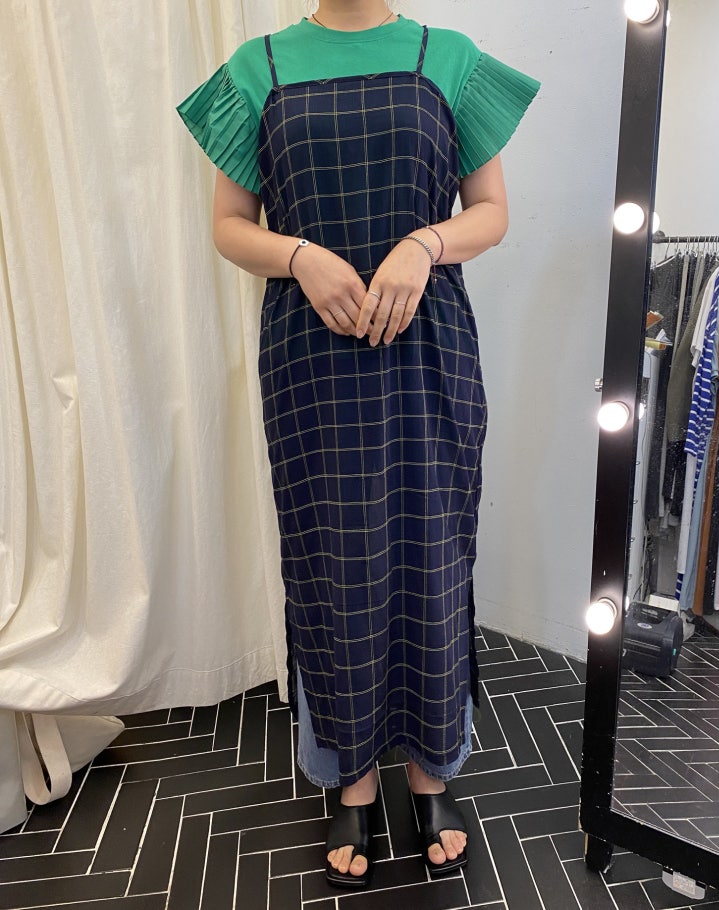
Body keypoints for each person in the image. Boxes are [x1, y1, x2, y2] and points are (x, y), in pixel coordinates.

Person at [177, 0, 539, 890]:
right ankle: (352, 778)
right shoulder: (257, 68)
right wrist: (300, 256)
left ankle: (431, 769)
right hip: (310, 355)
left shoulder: (447, 57)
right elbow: (228, 225)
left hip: (428, 348)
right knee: (333, 560)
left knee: (431, 552)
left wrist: (424, 242)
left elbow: (491, 212)